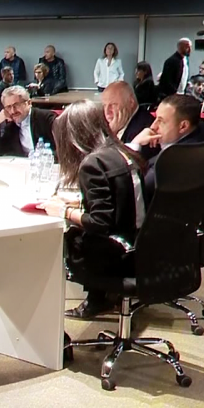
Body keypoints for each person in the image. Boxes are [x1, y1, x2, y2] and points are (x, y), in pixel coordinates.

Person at [39, 100, 146, 320]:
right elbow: (119, 202)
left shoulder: (92, 163)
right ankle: (100, 299)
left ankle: (48, 317)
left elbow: (100, 223)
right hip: (139, 244)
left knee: (57, 238)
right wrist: (78, 205)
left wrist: (63, 211)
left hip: (117, 254)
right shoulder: (120, 151)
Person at [130, 94, 204, 199]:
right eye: (155, 118)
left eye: (161, 121)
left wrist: (134, 145)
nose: (153, 126)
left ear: (183, 126)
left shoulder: (171, 161)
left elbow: (133, 190)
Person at [0, 85, 56, 157]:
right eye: (8, 107)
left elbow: (62, 149)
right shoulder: (11, 127)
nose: (13, 111)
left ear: (29, 103)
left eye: (16, 105)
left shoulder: (46, 119)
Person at [102, 81, 157, 156]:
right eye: (104, 105)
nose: (107, 111)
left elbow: (114, 161)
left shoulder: (145, 127)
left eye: (113, 105)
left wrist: (112, 135)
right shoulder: (103, 124)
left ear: (131, 102)